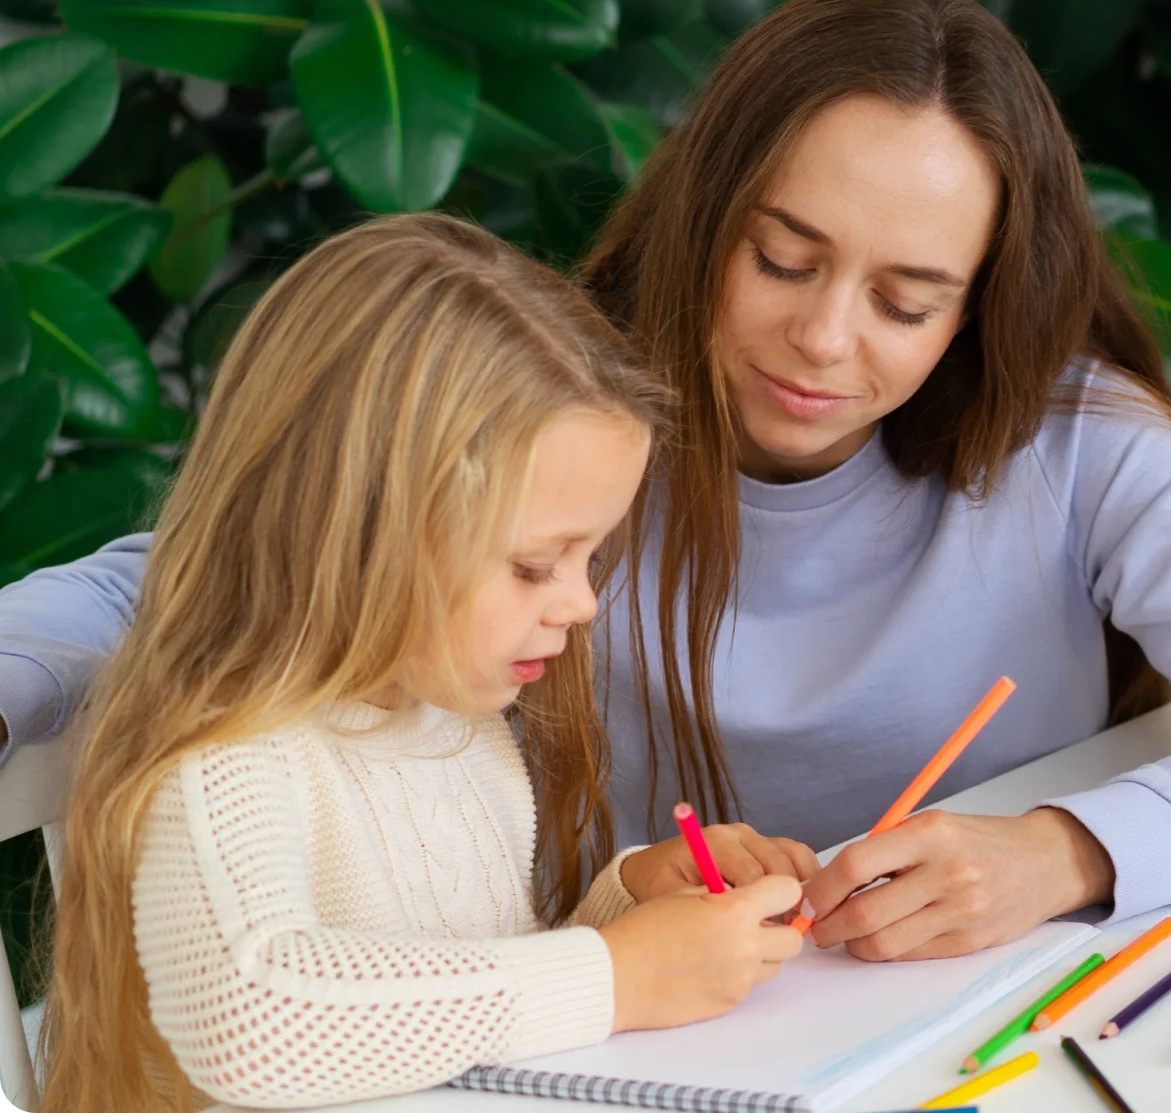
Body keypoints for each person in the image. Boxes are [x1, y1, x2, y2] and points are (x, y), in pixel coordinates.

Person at [0, 0, 1171, 963]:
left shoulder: (1079, 444)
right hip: (624, 1021)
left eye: (908, 299)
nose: (821, 336)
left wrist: (1055, 854)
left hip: (997, 1022)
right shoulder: (570, 411)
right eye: (782, 257)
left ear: (982, 305)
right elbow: (204, 572)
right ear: (705, 207)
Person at [40, 215, 815, 1110]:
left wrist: (631, 908)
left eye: (590, 559)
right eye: (534, 565)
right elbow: (250, 1020)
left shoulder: (453, 722)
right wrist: (612, 974)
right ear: (359, 532)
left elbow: (454, 997)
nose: (581, 603)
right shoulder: (225, 754)